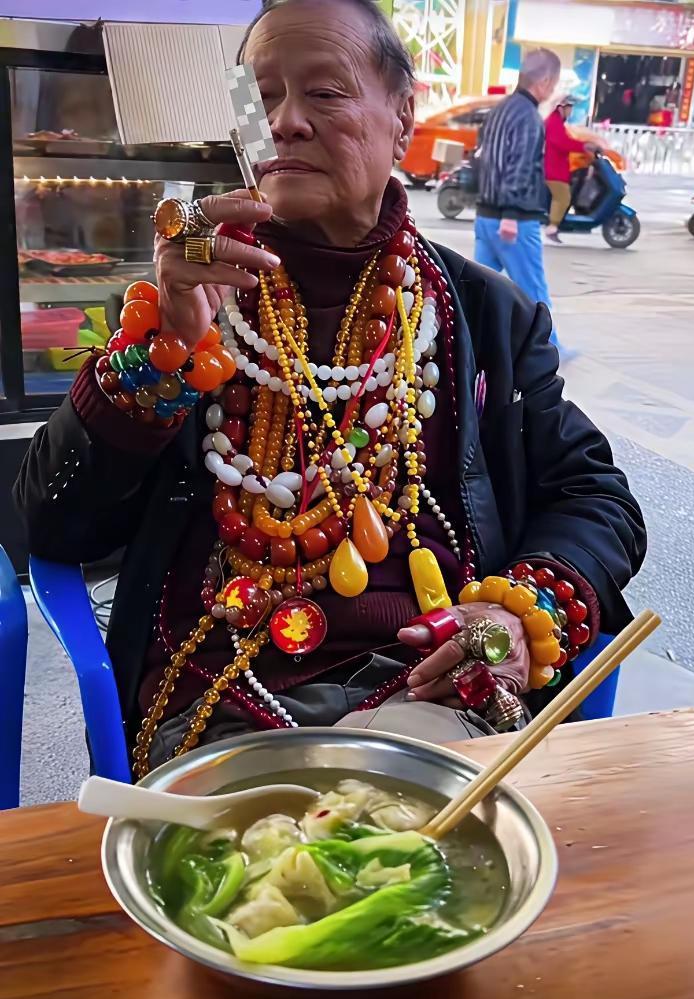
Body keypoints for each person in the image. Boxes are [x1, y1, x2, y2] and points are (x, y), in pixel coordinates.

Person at [15, 0, 646, 777]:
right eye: (263, 96)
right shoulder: (191, 303)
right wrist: (162, 351)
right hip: (220, 705)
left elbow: (596, 497)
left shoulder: (485, 316)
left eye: (324, 93)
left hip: (433, 700)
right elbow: (51, 526)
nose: (285, 121)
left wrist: (521, 611)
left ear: (402, 117)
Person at [474, 49, 562, 348]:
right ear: (545, 81)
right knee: (533, 289)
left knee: (476, 289)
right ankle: (550, 347)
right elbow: (521, 165)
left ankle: (466, 339)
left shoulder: (499, 111)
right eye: (554, 83)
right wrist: (510, 213)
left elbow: (482, 158)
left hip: (486, 215)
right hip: (513, 221)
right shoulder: (529, 117)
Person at [544, 95, 600, 244]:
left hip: (558, 167)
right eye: (569, 108)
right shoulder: (554, 122)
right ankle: (552, 226)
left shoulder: (558, 122)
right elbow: (561, 142)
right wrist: (583, 146)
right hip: (553, 168)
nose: (571, 112)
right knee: (563, 197)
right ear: (561, 108)